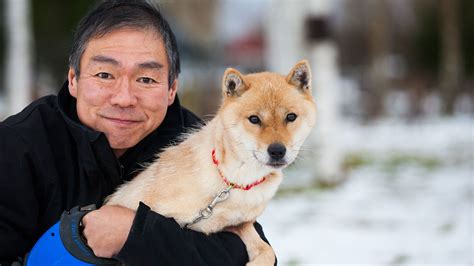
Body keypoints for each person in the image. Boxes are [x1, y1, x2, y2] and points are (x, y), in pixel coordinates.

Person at [0, 0, 271, 265]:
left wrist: (135, 235)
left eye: (146, 79)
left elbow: (243, 250)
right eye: (105, 75)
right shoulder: (18, 147)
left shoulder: (199, 144)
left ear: (171, 89)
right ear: (73, 79)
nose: (124, 98)